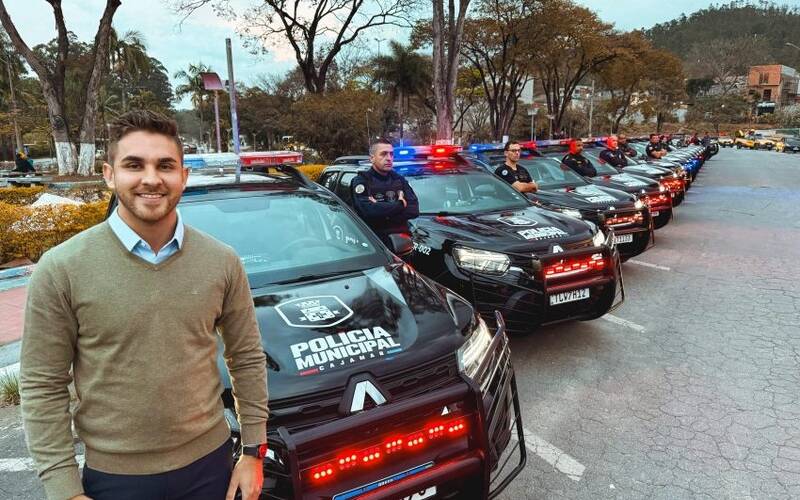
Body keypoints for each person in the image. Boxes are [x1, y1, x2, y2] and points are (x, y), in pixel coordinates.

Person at [20, 110, 269, 500]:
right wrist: (64, 489)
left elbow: (247, 356)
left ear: (183, 176)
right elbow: (42, 383)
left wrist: (253, 451)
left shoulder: (222, 261)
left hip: (212, 468)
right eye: (134, 165)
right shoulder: (62, 268)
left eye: (165, 166)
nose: (151, 178)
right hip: (115, 479)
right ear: (109, 174)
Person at [352, 138, 419, 248]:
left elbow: (414, 210)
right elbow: (367, 211)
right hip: (374, 244)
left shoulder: (399, 180)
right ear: (372, 158)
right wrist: (400, 205)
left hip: (402, 243)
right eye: (383, 154)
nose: (389, 158)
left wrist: (379, 209)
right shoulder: (362, 181)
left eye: (391, 154)